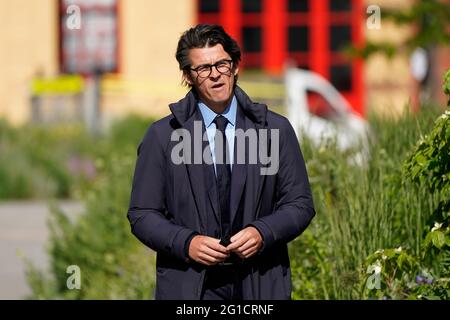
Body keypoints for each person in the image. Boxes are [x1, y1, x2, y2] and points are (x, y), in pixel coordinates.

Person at [127, 24, 315, 300]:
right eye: (203, 68)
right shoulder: (162, 136)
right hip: (190, 286)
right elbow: (142, 214)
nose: (215, 74)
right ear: (188, 76)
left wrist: (262, 232)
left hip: (259, 282)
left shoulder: (275, 130)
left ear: (235, 66)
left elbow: (300, 204)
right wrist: (186, 243)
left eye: (222, 64)